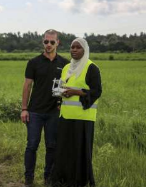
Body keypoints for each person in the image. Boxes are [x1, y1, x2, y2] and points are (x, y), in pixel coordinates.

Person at [50, 38, 102, 187]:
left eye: (78, 47)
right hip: (66, 116)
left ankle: (79, 181)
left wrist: (76, 92)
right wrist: (61, 92)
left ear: (84, 50)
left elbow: (97, 91)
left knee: (80, 152)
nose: (74, 50)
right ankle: (63, 180)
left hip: (83, 118)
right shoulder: (67, 68)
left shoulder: (91, 68)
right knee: (64, 150)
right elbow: (59, 87)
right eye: (72, 47)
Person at [21, 29, 69, 187]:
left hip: (54, 112)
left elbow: (69, 87)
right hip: (35, 111)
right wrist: (24, 109)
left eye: (52, 42)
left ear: (58, 43)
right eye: (46, 42)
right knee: (32, 145)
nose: (48, 45)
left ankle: (48, 178)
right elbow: (27, 86)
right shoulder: (34, 62)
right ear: (43, 42)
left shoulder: (65, 64)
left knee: (52, 146)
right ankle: (29, 178)